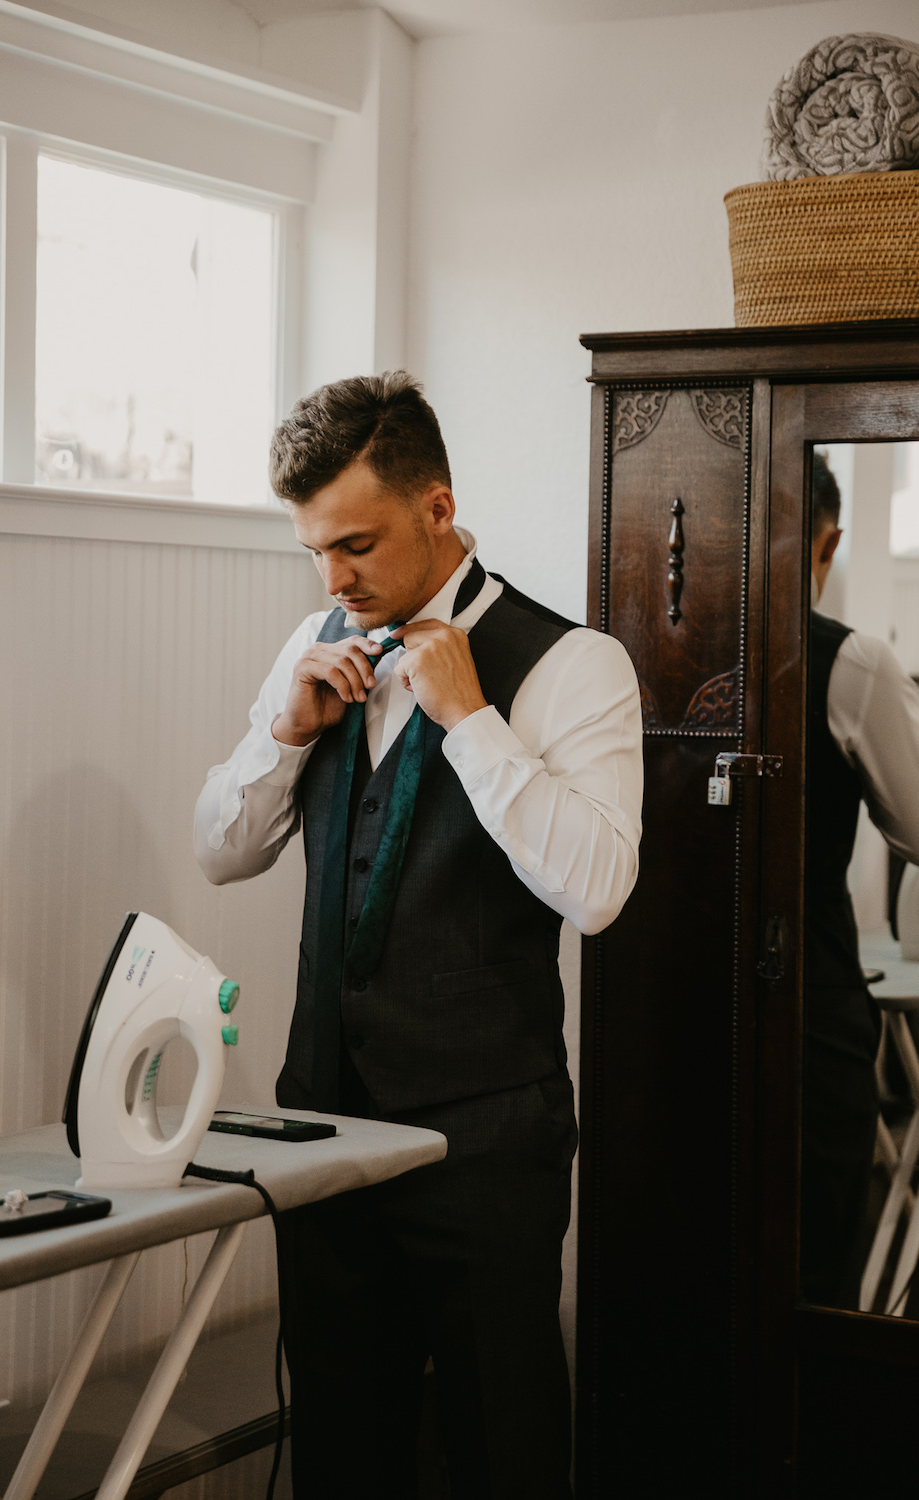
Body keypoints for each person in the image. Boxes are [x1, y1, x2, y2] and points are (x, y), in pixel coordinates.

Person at [194, 372, 643, 1498]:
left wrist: (472, 723)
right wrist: (287, 733)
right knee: (345, 1448)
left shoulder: (574, 663)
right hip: (324, 1129)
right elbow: (220, 850)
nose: (333, 579)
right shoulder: (317, 643)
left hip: (482, 1141)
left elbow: (596, 890)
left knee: (502, 1445)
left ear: (438, 509)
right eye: (313, 551)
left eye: (356, 543)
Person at [804, 452, 919, 1308]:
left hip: (668, 1023)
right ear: (829, 542)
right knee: (816, 1257)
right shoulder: (854, 665)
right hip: (810, 1003)